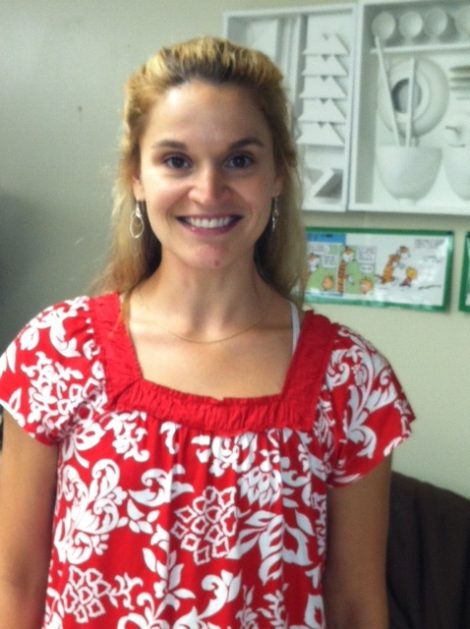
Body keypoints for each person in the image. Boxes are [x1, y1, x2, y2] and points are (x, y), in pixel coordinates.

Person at [0, 36, 414, 628]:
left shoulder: (350, 379)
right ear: (136, 177)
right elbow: (15, 580)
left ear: (278, 175)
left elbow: (355, 605)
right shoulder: (58, 351)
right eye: (177, 160)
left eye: (240, 160)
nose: (209, 190)